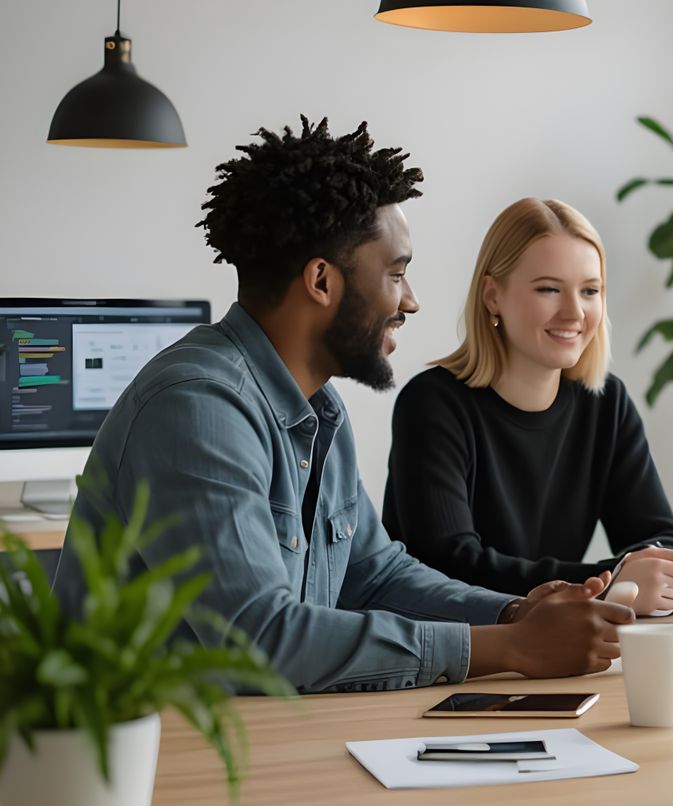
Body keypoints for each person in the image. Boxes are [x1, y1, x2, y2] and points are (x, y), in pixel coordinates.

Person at [53, 118, 633, 694]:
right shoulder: (198, 408)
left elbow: (374, 575)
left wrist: (513, 614)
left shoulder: (319, 410)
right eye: (396, 274)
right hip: (138, 765)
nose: (410, 301)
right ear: (322, 282)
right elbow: (262, 639)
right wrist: (506, 649)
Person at [382, 198, 673, 615]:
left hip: (556, 644)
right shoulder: (432, 404)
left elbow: (660, 536)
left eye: (590, 291)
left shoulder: (606, 404)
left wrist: (650, 569)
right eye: (549, 289)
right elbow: (450, 563)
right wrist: (609, 580)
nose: (575, 312)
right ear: (493, 296)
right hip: (455, 648)